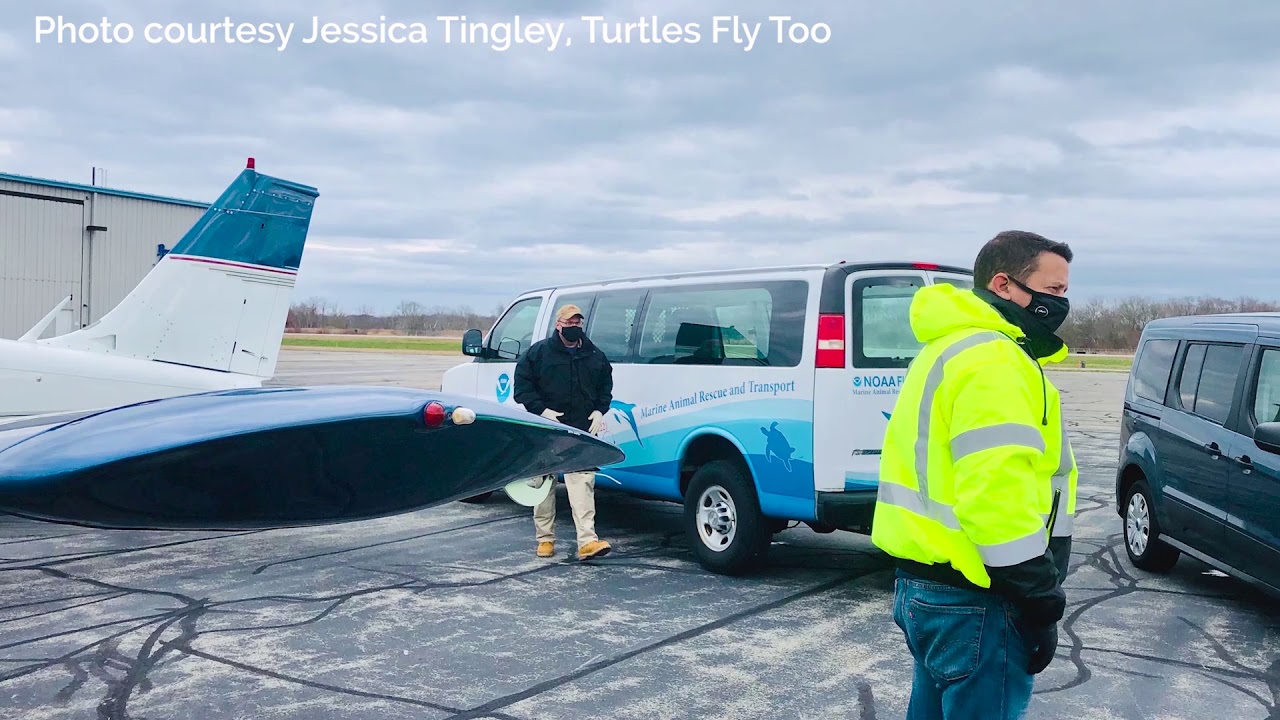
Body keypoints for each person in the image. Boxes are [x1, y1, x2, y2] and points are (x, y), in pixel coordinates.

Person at [871, 230, 1078, 719]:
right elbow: (994, 494)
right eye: (1052, 291)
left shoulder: (949, 347)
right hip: (980, 597)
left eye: (1065, 292)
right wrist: (1040, 599)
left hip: (925, 589)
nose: (1060, 304)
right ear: (1003, 285)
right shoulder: (995, 360)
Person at [512, 303, 614, 562]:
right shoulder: (539, 354)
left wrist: (600, 410)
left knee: (582, 482)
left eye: (577, 324)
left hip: (580, 428)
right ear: (558, 325)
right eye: (569, 324)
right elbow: (522, 387)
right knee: (544, 483)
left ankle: (587, 541)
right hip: (548, 427)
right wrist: (541, 409)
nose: (574, 328)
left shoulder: (594, 355)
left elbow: (605, 384)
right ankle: (545, 539)